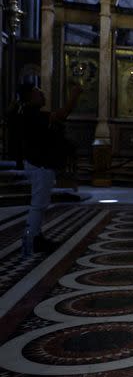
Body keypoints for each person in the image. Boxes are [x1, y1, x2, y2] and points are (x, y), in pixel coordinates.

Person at [17, 82, 83, 253]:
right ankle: (31, 240)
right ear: (30, 97)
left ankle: (35, 237)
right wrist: (74, 95)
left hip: (41, 163)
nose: (43, 95)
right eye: (38, 92)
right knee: (38, 205)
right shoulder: (30, 113)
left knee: (41, 203)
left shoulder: (31, 112)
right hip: (39, 165)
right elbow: (62, 114)